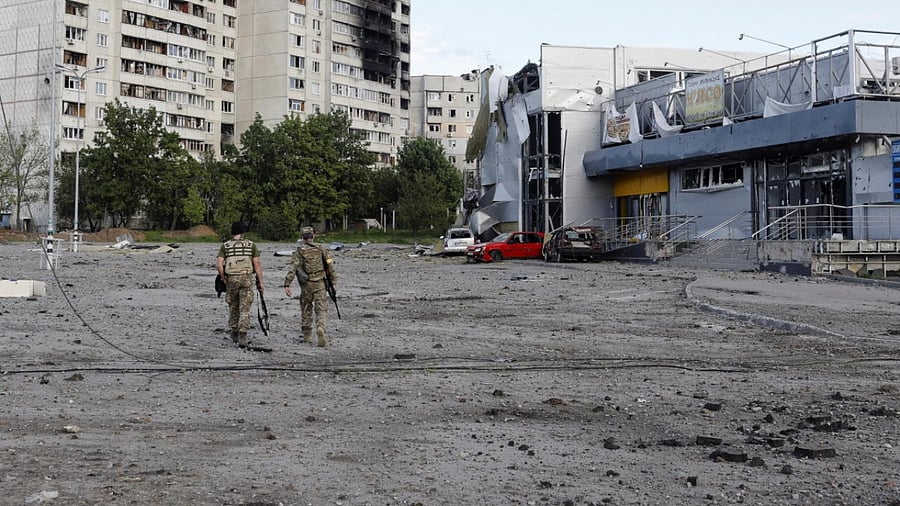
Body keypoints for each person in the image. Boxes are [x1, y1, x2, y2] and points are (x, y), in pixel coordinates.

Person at [283, 226, 337, 347]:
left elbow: (293, 268)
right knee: (321, 308)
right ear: (313, 236)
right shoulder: (321, 249)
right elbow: (330, 265)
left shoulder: (299, 251)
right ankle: (321, 327)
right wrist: (333, 280)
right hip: (320, 283)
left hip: (306, 284)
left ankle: (307, 334)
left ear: (302, 238)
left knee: (306, 308)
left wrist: (287, 284)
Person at [216, 221, 264, 348]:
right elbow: (257, 265)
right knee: (245, 307)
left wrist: (223, 277)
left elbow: (219, 264)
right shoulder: (251, 245)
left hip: (232, 278)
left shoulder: (225, 246)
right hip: (247, 278)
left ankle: (234, 331)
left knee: (233, 305)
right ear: (242, 232)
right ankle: (243, 333)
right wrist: (260, 282)